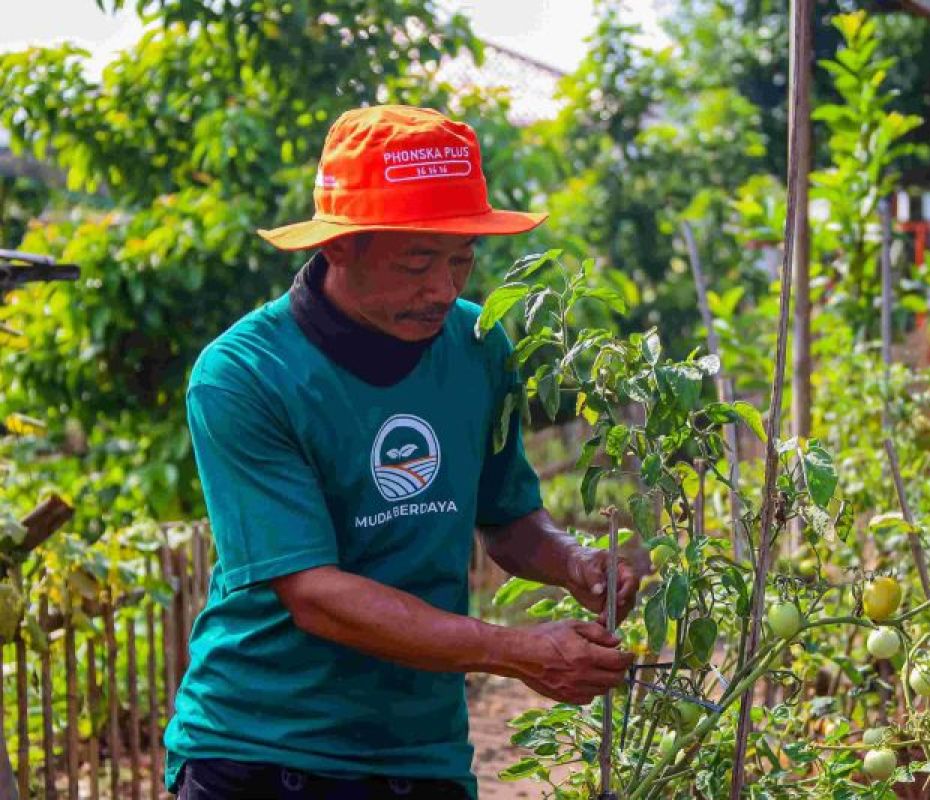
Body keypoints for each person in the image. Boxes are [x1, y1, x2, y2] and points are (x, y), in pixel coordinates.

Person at [164, 105, 643, 800]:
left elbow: (508, 516)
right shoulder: (245, 374)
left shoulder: (479, 345)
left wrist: (573, 562)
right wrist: (519, 652)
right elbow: (315, 596)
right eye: (418, 263)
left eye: (461, 260)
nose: (444, 289)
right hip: (263, 752)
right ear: (338, 247)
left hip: (420, 756)